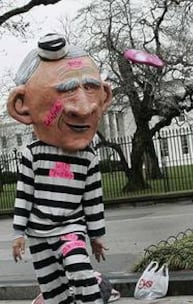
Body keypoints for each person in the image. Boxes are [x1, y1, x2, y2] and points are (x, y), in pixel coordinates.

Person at [9, 33, 113, 304]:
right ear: (21, 107)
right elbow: (24, 196)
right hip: (38, 234)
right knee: (53, 292)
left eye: (91, 89)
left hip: (71, 229)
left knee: (81, 272)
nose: (83, 107)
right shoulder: (32, 154)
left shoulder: (88, 157)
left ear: (105, 97)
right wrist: (19, 233)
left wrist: (96, 236)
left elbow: (93, 199)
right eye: (65, 90)